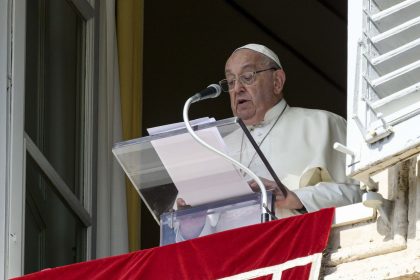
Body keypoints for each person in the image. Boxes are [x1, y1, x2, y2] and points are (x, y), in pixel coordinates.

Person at [175, 43, 362, 240]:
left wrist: (297, 199)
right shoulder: (214, 147)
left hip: (296, 249)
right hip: (229, 262)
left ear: (277, 81)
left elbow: (360, 195)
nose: (237, 88)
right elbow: (181, 235)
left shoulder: (323, 124)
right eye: (230, 82)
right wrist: (192, 225)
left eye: (248, 77)